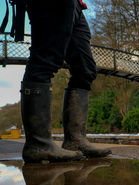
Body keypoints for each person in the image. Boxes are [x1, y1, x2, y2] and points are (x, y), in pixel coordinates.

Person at [20, 0, 111, 163]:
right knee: (45, 58)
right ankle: (38, 144)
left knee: (86, 70)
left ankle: (75, 140)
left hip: (76, 5)